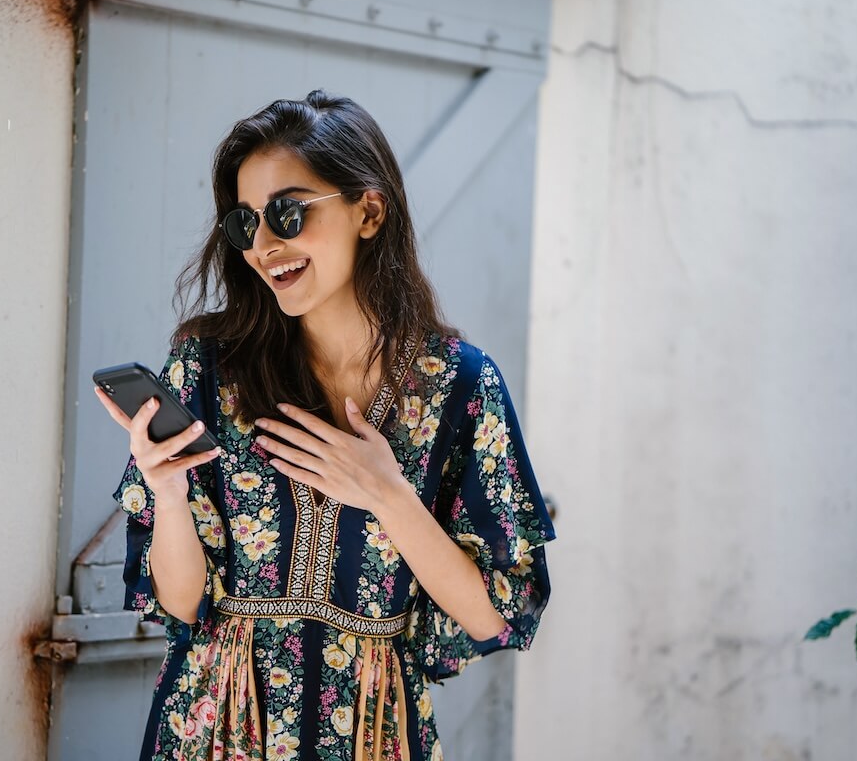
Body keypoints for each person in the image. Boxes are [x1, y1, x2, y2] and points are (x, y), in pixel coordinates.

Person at [94, 90, 555, 761]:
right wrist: (165, 493)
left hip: (371, 732)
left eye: (287, 212)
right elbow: (185, 604)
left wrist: (387, 493)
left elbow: (496, 614)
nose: (265, 245)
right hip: (216, 725)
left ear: (368, 210)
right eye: (245, 223)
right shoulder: (208, 366)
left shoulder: (460, 386)